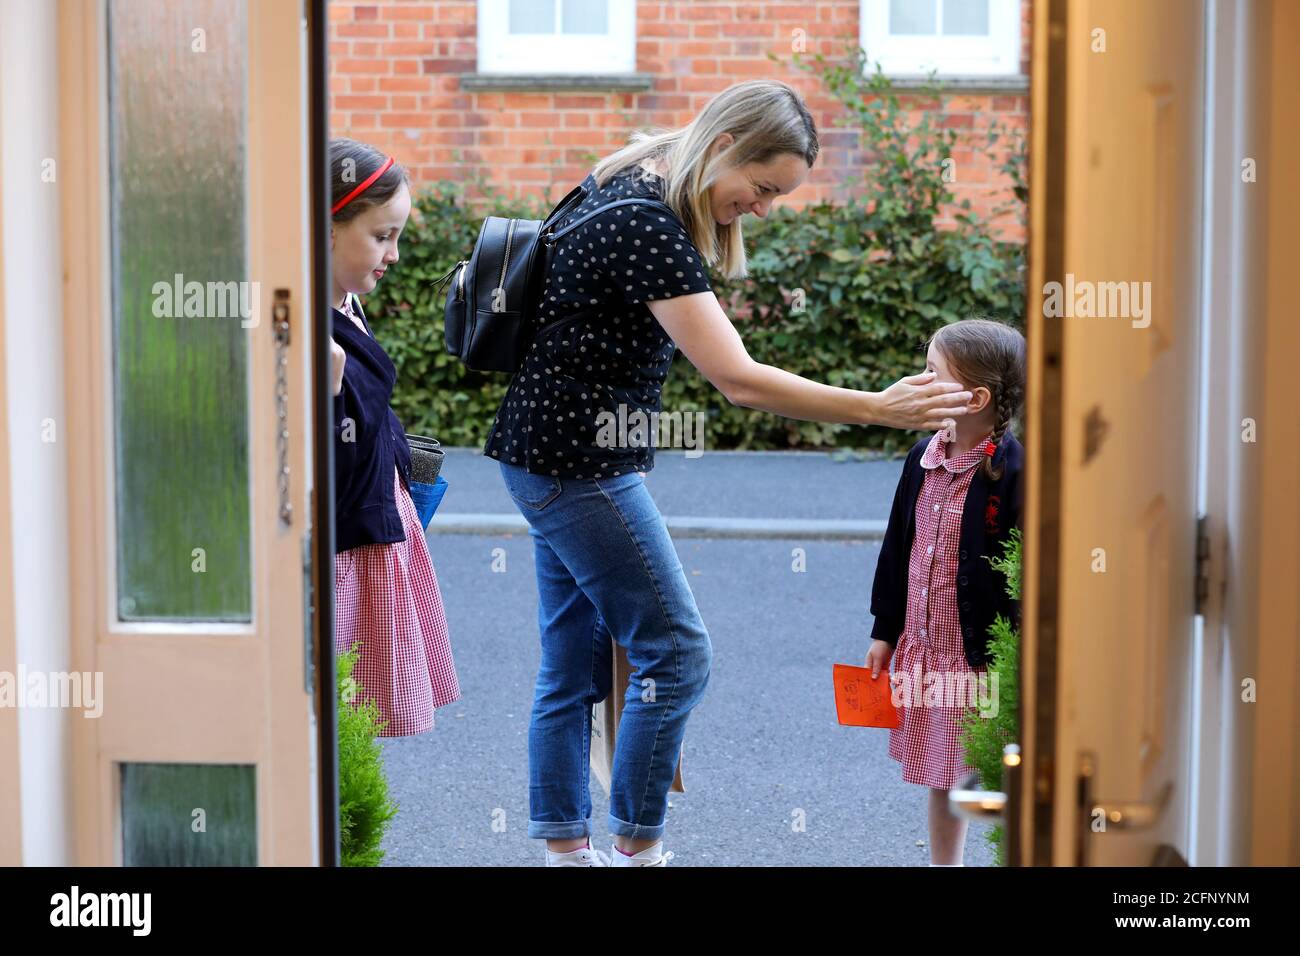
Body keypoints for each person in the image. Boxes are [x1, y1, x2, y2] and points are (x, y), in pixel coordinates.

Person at [485, 80, 975, 866]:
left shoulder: (636, 173)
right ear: (723, 148)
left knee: (571, 664)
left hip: (542, 454)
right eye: (764, 187)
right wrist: (880, 409)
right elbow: (738, 380)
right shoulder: (649, 223)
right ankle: (638, 851)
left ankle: (565, 852)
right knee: (678, 655)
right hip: (580, 467)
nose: (764, 207)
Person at [865, 318, 1026, 866]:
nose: (918, 380)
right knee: (944, 773)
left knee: (1002, 776)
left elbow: (1023, 577)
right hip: (931, 653)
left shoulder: (1014, 473)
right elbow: (896, 551)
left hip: (983, 660)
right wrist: (885, 630)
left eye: (931, 372)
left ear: (976, 396)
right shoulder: (923, 458)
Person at [330, 138, 460, 738]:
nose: (396, 255)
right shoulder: (309, 334)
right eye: (382, 236)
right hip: (348, 546)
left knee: (352, 726)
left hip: (375, 530)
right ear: (322, 228)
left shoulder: (345, 303)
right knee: (340, 721)